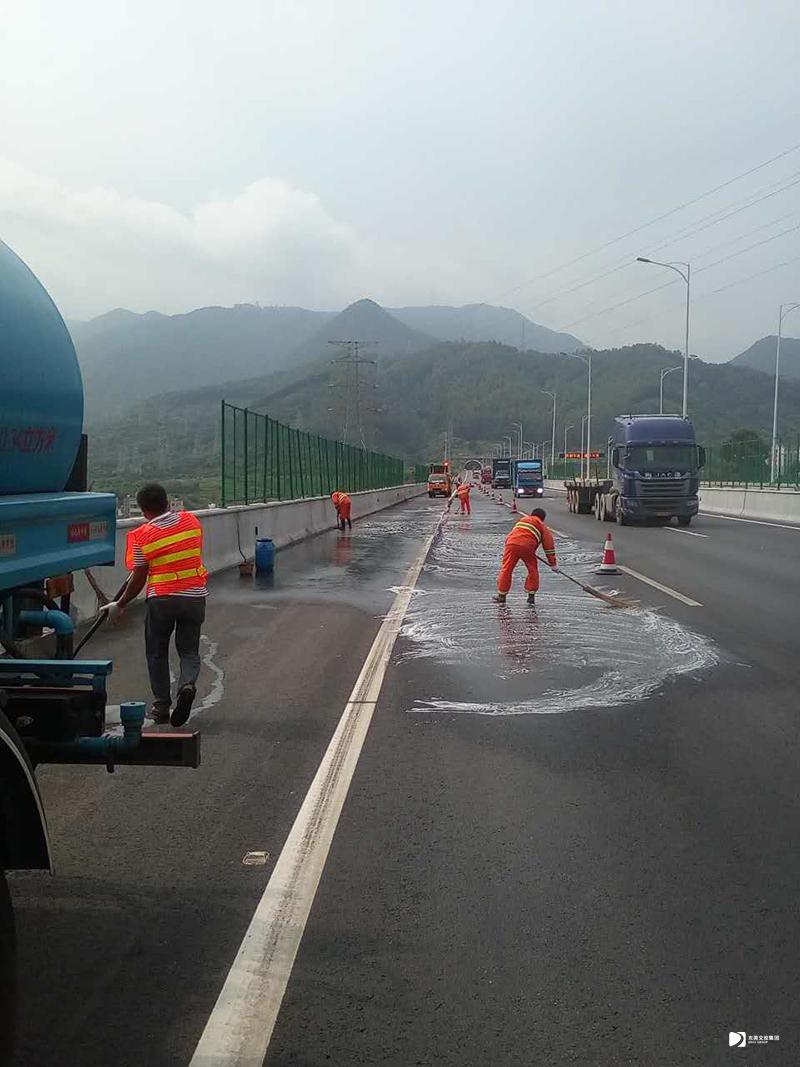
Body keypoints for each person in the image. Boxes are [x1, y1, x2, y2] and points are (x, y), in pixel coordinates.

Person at [101, 483, 208, 726]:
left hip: (162, 599)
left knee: (157, 652)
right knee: (189, 651)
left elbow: (138, 578)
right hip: (194, 596)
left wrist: (120, 603)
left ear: (142, 509)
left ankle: (161, 708)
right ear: (167, 502)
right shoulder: (191, 522)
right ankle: (187, 685)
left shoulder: (142, 536)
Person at [493, 506, 557, 606]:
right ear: (542, 518)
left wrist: (511, 546)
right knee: (532, 569)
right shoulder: (542, 526)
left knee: (507, 568)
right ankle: (531, 596)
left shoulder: (522, 520)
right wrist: (553, 564)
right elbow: (549, 547)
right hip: (528, 547)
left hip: (511, 544)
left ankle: (501, 595)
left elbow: (511, 535)